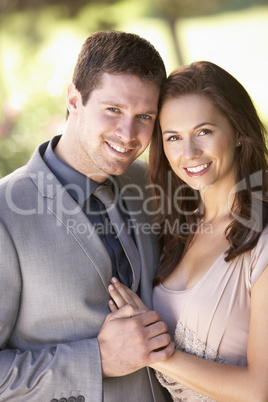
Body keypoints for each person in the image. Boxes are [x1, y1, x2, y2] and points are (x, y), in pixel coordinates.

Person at [0, 30, 175, 401]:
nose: (128, 134)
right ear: (74, 99)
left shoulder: (148, 181)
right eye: (113, 110)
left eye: (144, 115)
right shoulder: (5, 211)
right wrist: (96, 359)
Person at [107, 61, 268, 401]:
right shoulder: (176, 229)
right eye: (174, 137)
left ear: (239, 132)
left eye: (204, 131)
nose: (189, 153)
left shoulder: (262, 238)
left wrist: (156, 349)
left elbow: (260, 390)